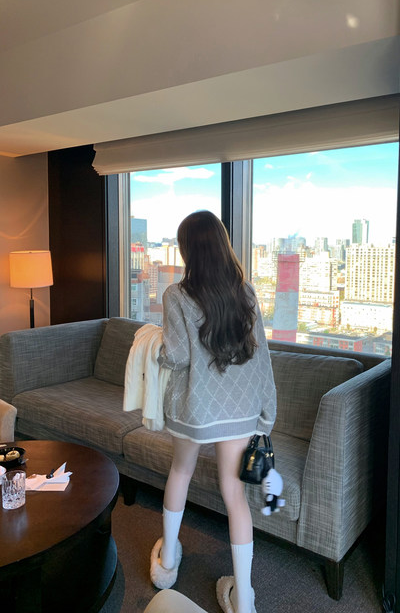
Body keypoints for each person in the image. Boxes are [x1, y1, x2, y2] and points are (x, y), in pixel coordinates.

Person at [150, 210, 276, 613]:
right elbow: (262, 358)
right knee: (235, 494)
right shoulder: (247, 293)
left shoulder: (176, 295)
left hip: (196, 409)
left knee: (180, 472)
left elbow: (177, 356)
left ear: (188, 250)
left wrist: (155, 348)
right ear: (223, 245)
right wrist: (267, 415)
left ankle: (168, 562)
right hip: (240, 411)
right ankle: (245, 600)